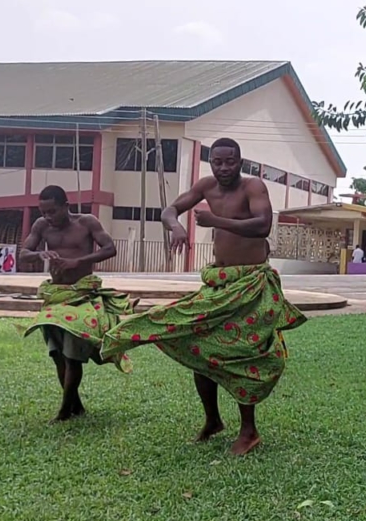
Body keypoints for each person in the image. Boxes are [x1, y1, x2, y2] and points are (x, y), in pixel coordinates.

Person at [101, 138, 306, 456]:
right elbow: (170, 210)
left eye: (230, 161)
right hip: (217, 283)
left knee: (242, 352)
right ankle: (213, 420)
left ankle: (248, 431)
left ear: (240, 161)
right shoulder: (206, 186)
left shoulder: (254, 188)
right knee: (197, 343)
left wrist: (216, 221)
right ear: (212, 162)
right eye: (218, 162)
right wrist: (175, 226)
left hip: (250, 284)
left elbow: (263, 226)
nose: (224, 168)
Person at [18, 185, 136, 423]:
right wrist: (39, 254)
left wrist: (78, 261)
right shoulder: (41, 226)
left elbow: (110, 248)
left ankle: (64, 412)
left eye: (52, 211)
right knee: (57, 354)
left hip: (82, 295)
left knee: (72, 355)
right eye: (44, 212)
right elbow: (23, 253)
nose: (48, 217)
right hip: (57, 297)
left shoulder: (87, 222)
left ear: (65, 207)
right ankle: (76, 406)